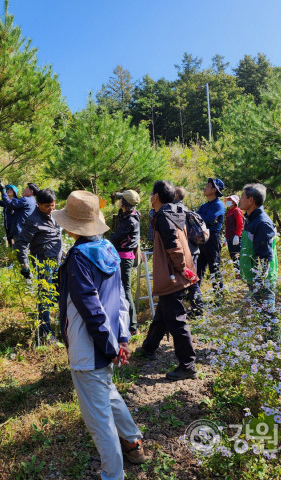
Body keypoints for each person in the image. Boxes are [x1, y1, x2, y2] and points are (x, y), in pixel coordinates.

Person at [54, 190, 146, 478]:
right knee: (108, 393)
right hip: (108, 341)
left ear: (71, 226)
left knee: (99, 422)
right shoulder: (107, 248)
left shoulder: (79, 258)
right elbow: (119, 299)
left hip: (88, 347)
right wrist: (120, 340)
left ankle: (113, 475)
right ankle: (132, 441)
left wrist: (110, 347)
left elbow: (91, 310)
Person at [137, 180, 199, 381]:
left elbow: (173, 246)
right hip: (180, 271)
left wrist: (181, 269)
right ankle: (149, 347)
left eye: (151, 194)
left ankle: (188, 365)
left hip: (174, 274)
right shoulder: (176, 210)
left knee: (176, 320)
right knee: (164, 312)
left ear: (155, 196)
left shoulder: (163, 215)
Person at [14, 188, 63, 343]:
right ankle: (45, 334)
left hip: (58, 261)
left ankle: (60, 326)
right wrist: (24, 265)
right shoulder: (33, 220)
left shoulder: (54, 215)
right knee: (44, 297)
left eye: (53, 206)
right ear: (38, 204)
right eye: (47, 207)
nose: (51, 209)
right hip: (44, 264)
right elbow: (21, 244)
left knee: (59, 295)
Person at [238, 184, 278, 339]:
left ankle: (274, 343)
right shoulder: (251, 219)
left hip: (262, 278)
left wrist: (259, 280)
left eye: (242, 196)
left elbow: (264, 256)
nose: (240, 199)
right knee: (262, 311)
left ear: (251, 200)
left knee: (267, 310)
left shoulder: (262, 222)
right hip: (254, 276)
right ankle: (270, 340)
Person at [110, 190, 141, 335]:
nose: (119, 200)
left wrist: (109, 237)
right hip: (125, 257)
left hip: (124, 258)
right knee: (123, 289)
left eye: (121, 199)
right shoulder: (133, 215)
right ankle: (127, 322)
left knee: (125, 289)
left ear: (124, 203)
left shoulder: (129, 221)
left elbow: (116, 237)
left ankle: (133, 325)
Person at [174, 187, 204, 317]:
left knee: (190, 281)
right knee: (192, 280)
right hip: (193, 250)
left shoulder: (176, 211)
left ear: (175, 195)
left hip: (187, 252)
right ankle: (197, 308)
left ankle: (197, 310)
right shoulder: (186, 210)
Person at [196, 178, 226, 300]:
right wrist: (200, 217)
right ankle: (195, 297)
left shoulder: (219, 205)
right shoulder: (205, 205)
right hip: (202, 239)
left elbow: (207, 219)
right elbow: (195, 217)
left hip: (213, 238)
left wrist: (199, 217)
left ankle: (219, 297)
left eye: (208, 186)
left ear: (214, 190)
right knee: (199, 268)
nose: (205, 188)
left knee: (214, 268)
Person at [224, 194, 244, 275]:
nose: (228, 201)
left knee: (238, 255)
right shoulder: (229, 212)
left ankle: (241, 273)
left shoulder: (236, 211)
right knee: (232, 256)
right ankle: (237, 273)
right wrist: (226, 237)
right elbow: (227, 226)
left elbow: (240, 224)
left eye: (230, 200)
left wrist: (237, 235)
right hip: (229, 237)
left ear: (234, 202)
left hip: (235, 238)